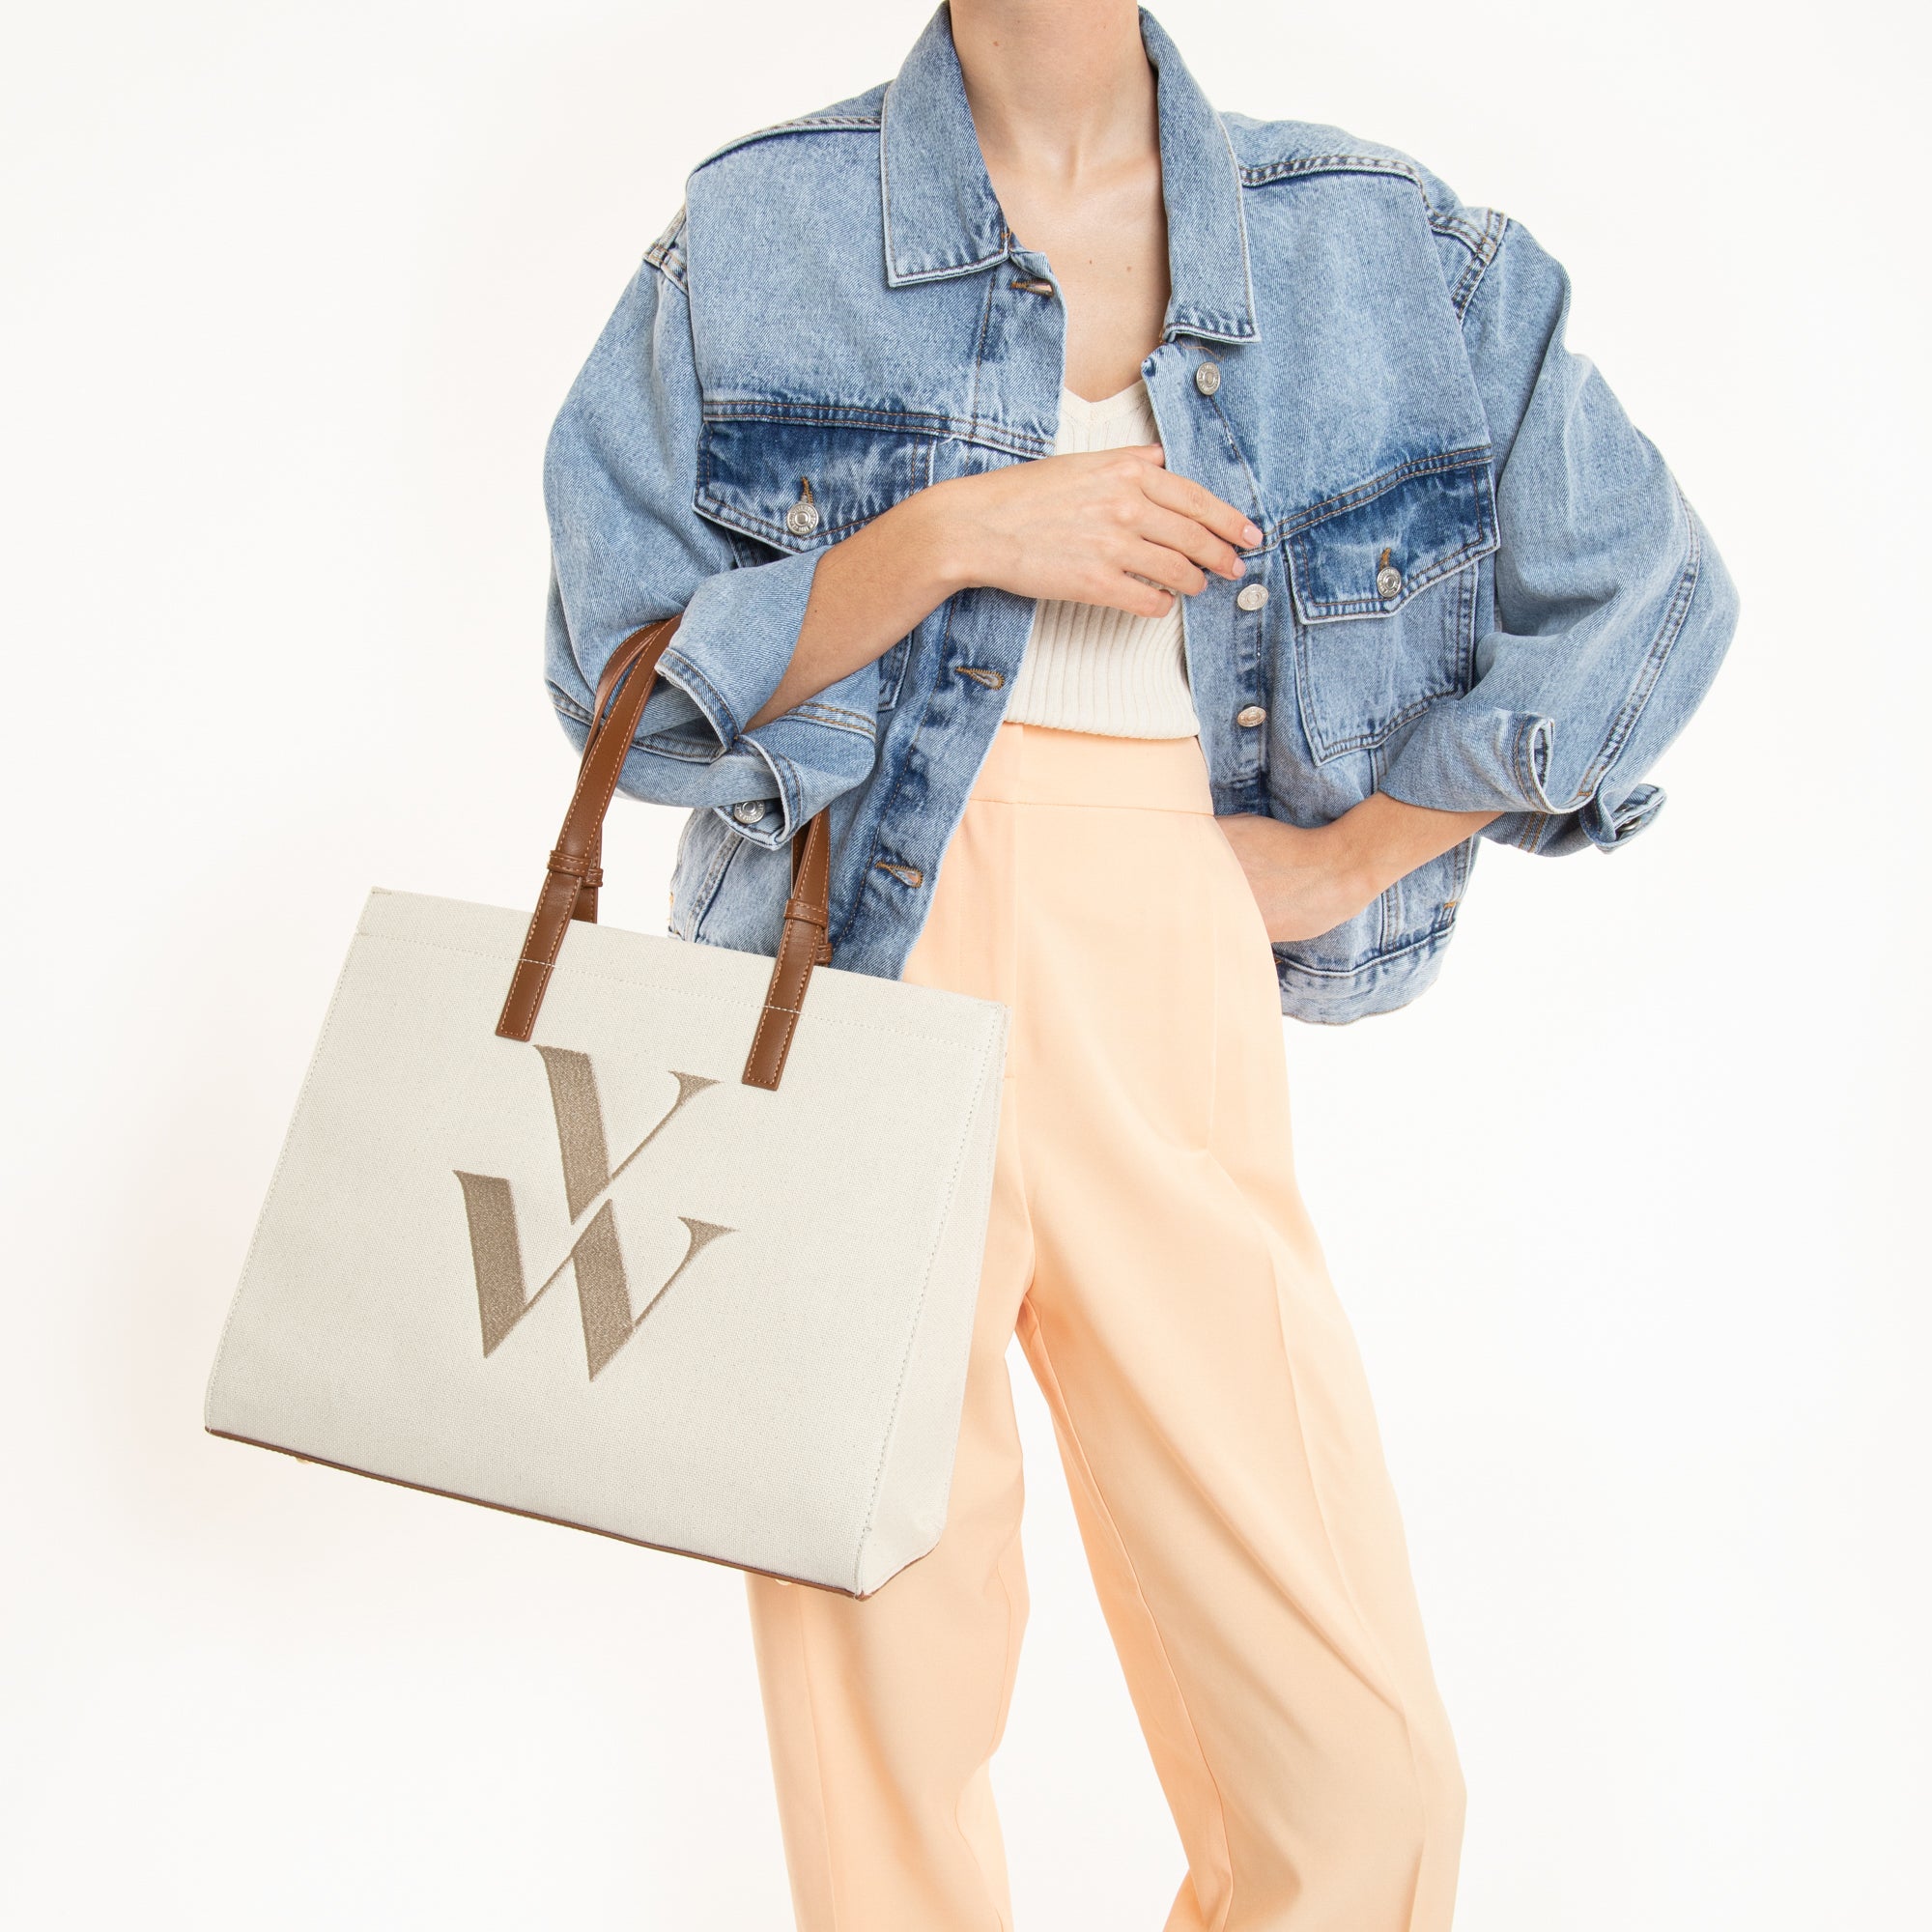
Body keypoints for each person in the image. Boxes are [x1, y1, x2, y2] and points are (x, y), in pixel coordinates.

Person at [539, 3, 1738, 1926]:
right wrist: (952, 536)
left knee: (1361, 1787)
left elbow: (1646, 586)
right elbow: (617, 666)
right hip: (843, 979)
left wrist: (1352, 852)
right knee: (883, 1758)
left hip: (1169, 967)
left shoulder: (1368, 237)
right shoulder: (760, 226)